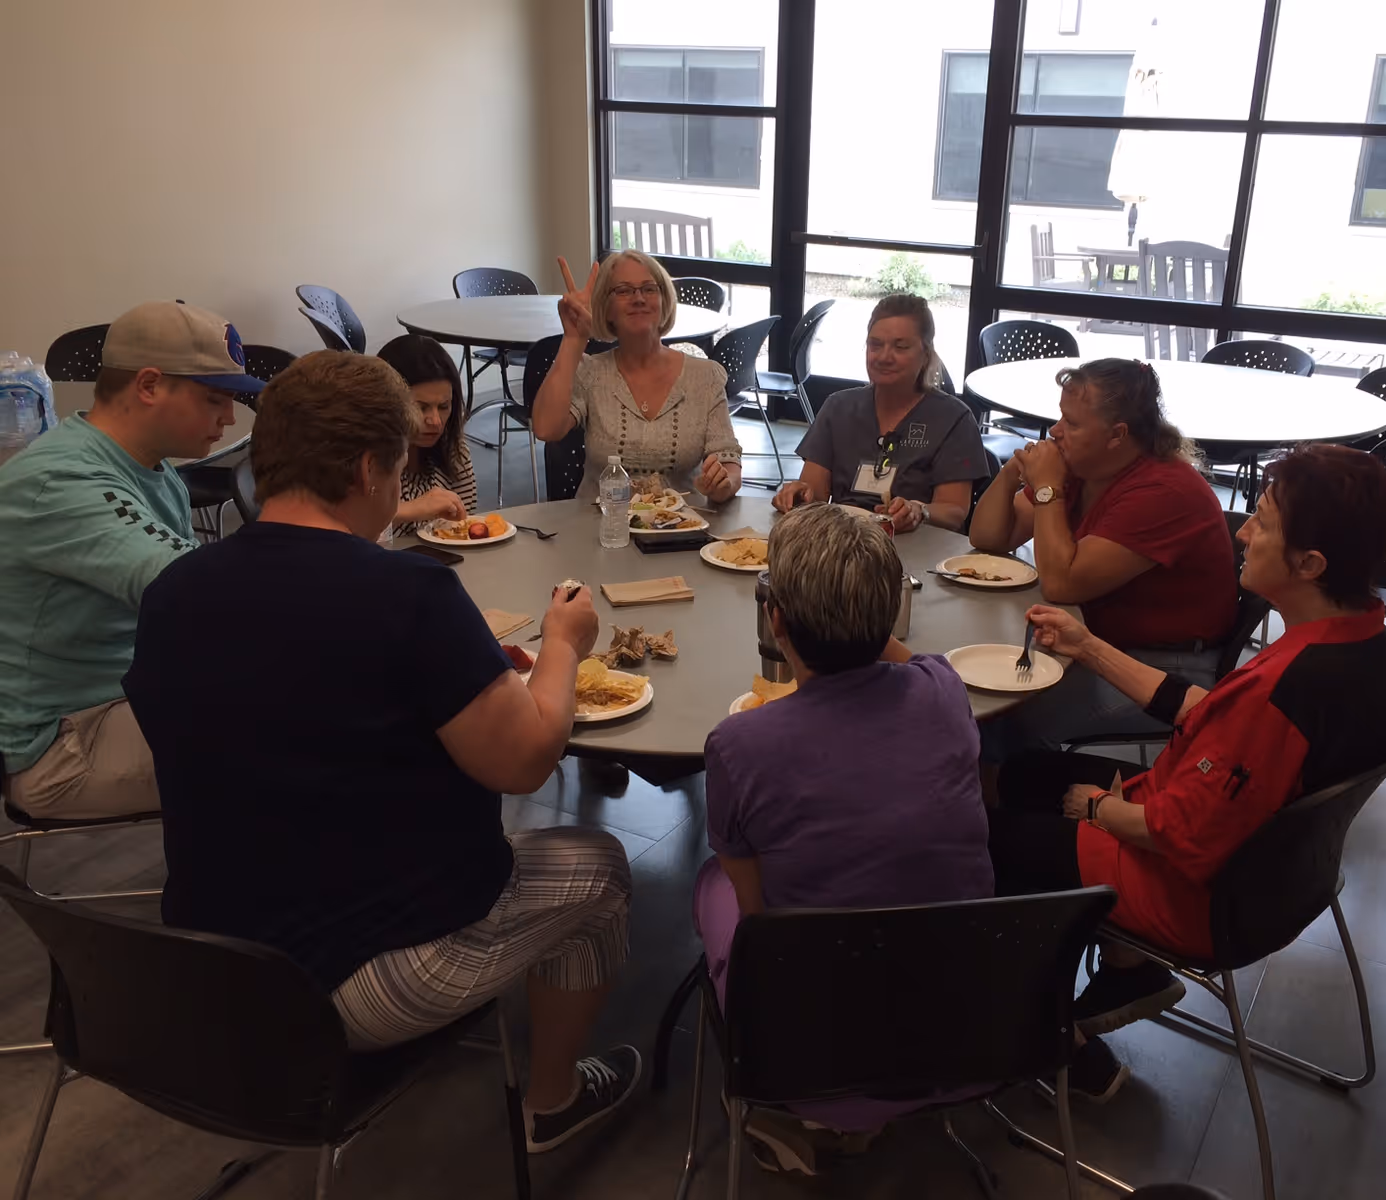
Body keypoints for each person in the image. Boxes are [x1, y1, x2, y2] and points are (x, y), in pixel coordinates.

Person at [123, 351, 640, 1152]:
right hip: (348, 977)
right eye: (400, 469)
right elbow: (528, 760)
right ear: (369, 468)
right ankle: (555, 1097)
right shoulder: (411, 596)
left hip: (207, 960)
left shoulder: (174, 591)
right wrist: (567, 645)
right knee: (599, 867)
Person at [987, 444, 1386, 1092]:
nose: (1243, 532)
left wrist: (1090, 808)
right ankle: (1127, 969)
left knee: (990, 839)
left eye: (1262, 522)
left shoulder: (1287, 691)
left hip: (1201, 897)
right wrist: (1089, 648)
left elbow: (1171, 832)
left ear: (1310, 563)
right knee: (1024, 778)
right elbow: (1214, 717)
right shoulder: (1366, 643)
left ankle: (1054, 1046)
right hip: (1278, 876)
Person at [695, 503, 994, 1172]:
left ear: (775, 621)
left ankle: (786, 1106)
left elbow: (757, 911)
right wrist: (860, 612)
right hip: (972, 1025)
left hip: (819, 1047)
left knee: (714, 884)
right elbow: (910, 663)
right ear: (890, 615)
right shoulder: (945, 690)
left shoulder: (741, 742)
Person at [0, 300, 262, 820]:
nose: (229, 418)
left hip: (125, 693)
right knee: (325, 726)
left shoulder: (153, 469)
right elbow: (199, 593)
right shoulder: (63, 482)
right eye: (214, 399)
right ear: (148, 386)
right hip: (65, 742)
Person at [968, 358, 1237, 765]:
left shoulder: (1163, 492)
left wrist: (1047, 489)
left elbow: (1062, 584)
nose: (1056, 432)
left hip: (1165, 666)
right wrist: (1012, 474)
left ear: (1118, 435)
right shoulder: (1084, 466)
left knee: (1002, 717)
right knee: (976, 695)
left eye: (1072, 424)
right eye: (1060, 417)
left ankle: (1012, 811)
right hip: (1094, 641)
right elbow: (987, 539)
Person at [531, 250, 742, 502]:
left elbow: (728, 459)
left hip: (682, 530)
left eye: (649, 289)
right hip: (599, 528)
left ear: (664, 300)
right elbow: (545, 428)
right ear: (606, 308)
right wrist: (574, 339)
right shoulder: (591, 373)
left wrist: (723, 484)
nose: (638, 298)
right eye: (623, 290)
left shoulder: (704, 377)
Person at [772, 294, 987, 532]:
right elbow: (815, 492)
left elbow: (954, 511)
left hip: (916, 547)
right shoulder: (839, 407)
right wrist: (799, 493)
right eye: (875, 345)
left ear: (925, 353)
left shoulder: (953, 419)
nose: (884, 357)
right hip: (842, 543)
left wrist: (919, 511)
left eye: (900, 347)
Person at [375, 333, 478, 535]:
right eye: (420, 408)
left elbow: (464, 526)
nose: (435, 421)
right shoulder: (365, 456)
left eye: (444, 406)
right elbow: (345, 527)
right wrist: (407, 511)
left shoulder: (454, 449)